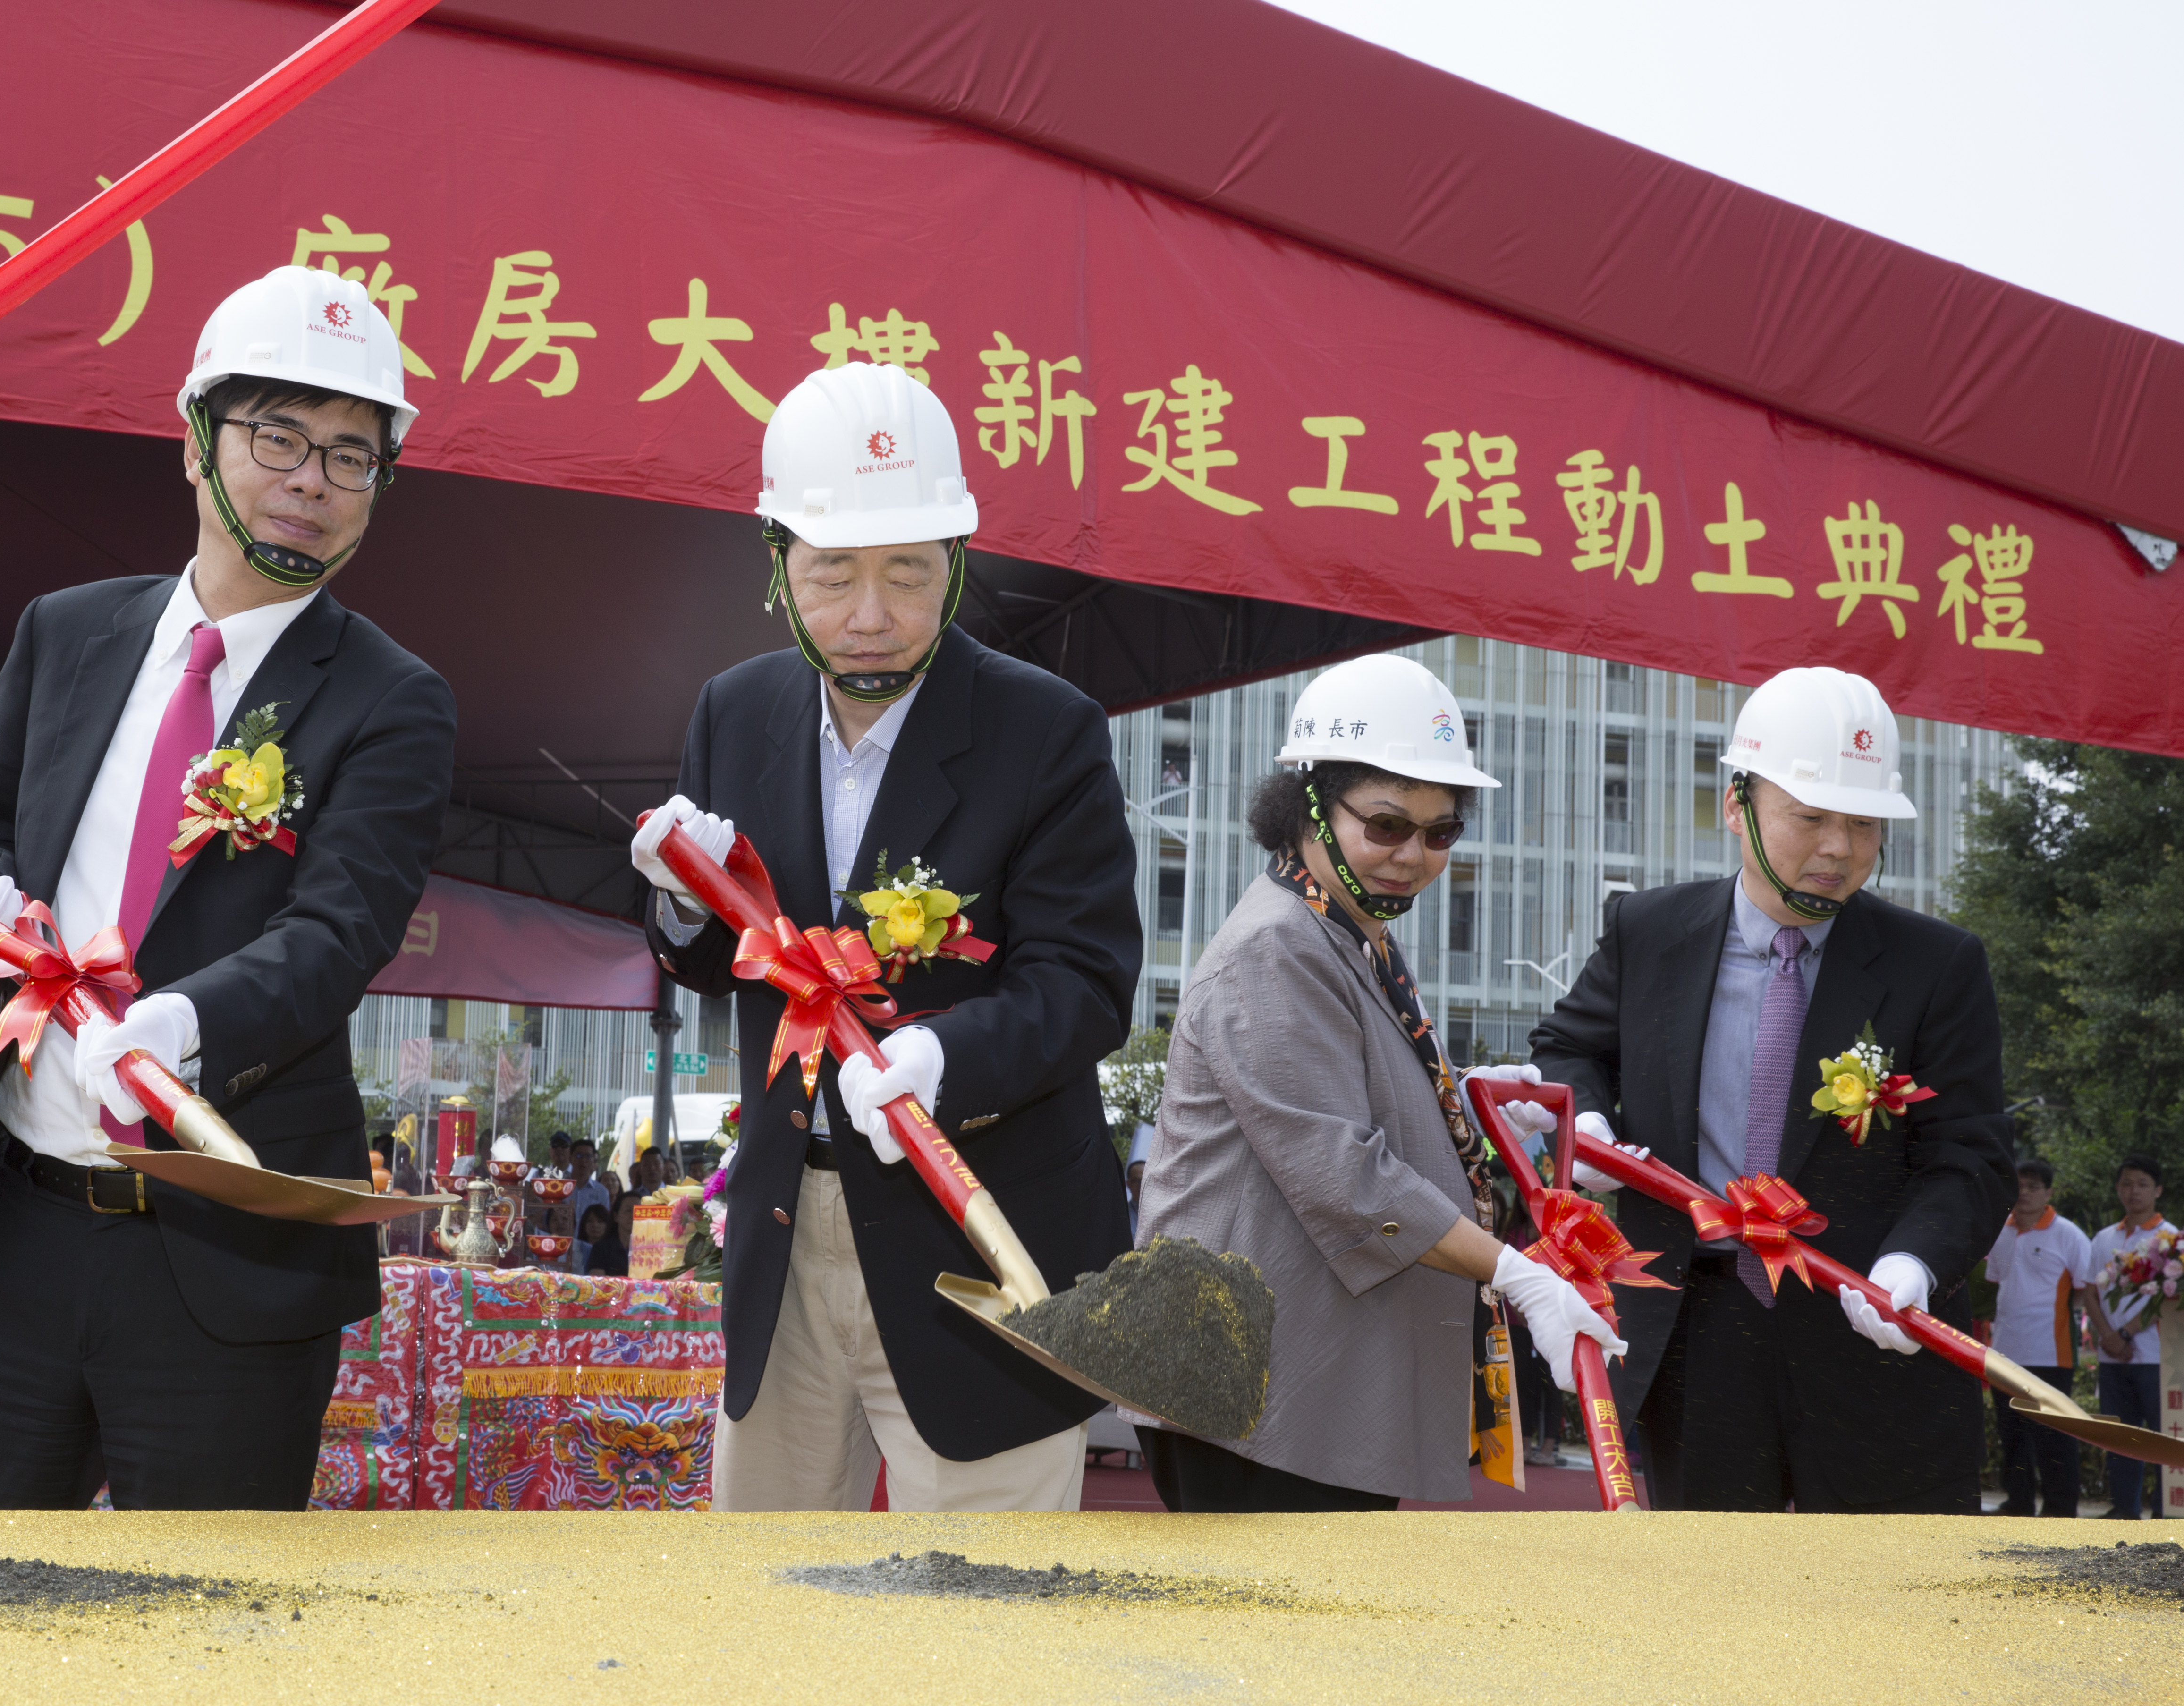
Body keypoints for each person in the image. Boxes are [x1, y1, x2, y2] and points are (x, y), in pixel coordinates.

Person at [0, 265, 456, 1511]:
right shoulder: (65, 632)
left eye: (352, 456)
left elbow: (340, 931)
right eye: (278, 438)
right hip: (25, 1219)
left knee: (206, 1612)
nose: (311, 481)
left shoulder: (393, 698)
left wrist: (182, 1024)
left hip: (227, 1250)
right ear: (195, 440)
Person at [634, 362, 1138, 1513]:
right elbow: (711, 958)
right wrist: (679, 901)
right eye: (832, 574)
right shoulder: (732, 711)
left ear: (956, 560)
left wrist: (944, 1055)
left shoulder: (1044, 730)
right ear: (777, 562)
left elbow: (1085, 982)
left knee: (981, 1599)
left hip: (977, 1225)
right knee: (767, 1593)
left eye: (907, 572)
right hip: (786, 1231)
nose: (869, 614)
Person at [1134, 655, 1617, 1511]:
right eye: (1388, 824)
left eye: (1440, 832)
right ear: (1308, 806)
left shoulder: (1345, 930)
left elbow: (1344, 1089)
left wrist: (1461, 1096)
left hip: (1300, 1383)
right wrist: (1518, 1272)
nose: (1412, 856)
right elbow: (1344, 1174)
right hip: (1254, 1391)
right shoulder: (1278, 945)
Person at [1530, 666, 2014, 1513]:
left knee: (1887, 1589)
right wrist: (1590, 1128)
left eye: (1862, 824)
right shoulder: (1649, 931)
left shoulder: (1935, 965)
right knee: (1715, 1584)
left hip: (1867, 1330)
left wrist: (1911, 1262)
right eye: (1810, 816)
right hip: (1698, 1330)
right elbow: (1567, 1047)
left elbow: (1969, 1153)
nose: (1838, 849)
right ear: (1736, 805)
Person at [1984, 1158, 2091, 1518]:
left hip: (2051, 1351)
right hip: (2005, 1352)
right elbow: (1997, 1282)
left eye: (2033, 1186)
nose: (2024, 1193)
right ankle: (2018, 1502)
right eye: (2019, 1185)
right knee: (2012, 1432)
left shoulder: (2068, 1234)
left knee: (2054, 1434)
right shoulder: (2000, 1231)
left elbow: (2084, 1289)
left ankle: (2060, 1507)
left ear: (2048, 1192)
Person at [2082, 1155, 2173, 1522]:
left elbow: (2166, 1297)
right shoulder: (2104, 1237)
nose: (2133, 1191)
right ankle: (2124, 1507)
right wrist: (2108, 1336)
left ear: (2158, 1190)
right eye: (2126, 1183)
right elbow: (2089, 1291)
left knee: (2163, 1436)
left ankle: (2166, 1511)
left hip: (2157, 1356)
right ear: (2117, 1188)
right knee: (2119, 1434)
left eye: (2142, 1184)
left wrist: (2124, 1333)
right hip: (2111, 1355)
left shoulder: (2171, 1238)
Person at [579, 1203, 628, 1278]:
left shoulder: (615, 1251)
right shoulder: (577, 1249)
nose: (595, 1225)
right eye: (589, 1221)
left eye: (600, 1221)